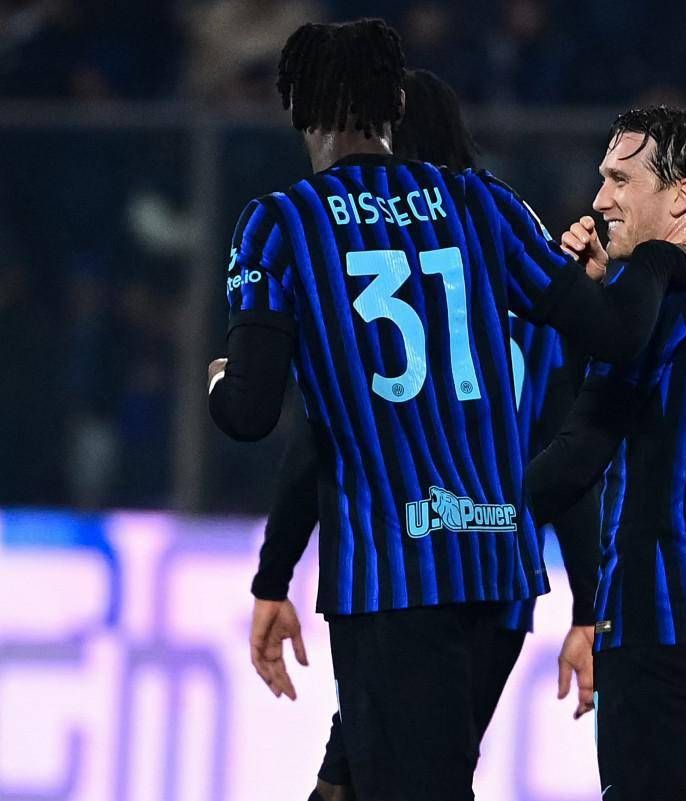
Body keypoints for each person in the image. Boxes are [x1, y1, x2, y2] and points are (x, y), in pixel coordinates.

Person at [206, 20, 686, 801]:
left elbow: (253, 414)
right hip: (494, 570)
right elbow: (614, 336)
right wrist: (661, 260)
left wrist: (221, 380)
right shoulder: (482, 203)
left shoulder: (282, 223)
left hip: (390, 572)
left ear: (294, 108)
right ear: (395, 102)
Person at [241, 68, 600, 801]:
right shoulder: (525, 265)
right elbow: (564, 451)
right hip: (499, 584)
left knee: (370, 783)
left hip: (404, 575)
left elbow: (319, 438)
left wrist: (274, 574)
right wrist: (590, 605)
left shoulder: (364, 264)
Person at [527, 106, 686, 801]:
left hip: (665, 618)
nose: (600, 198)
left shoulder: (658, 302)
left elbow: (581, 448)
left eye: (621, 179)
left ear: (682, 196)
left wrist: (489, 515)